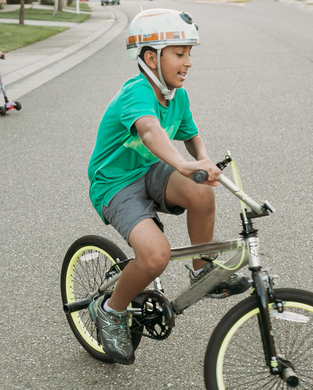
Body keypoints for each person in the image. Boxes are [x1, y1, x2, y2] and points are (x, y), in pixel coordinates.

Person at [87, 9, 249, 365]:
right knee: (155, 256)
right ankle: (111, 310)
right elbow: (149, 132)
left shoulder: (177, 96)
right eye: (180, 53)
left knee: (201, 191)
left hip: (149, 170)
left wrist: (202, 161)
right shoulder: (136, 93)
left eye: (190, 52)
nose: (189, 62)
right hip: (115, 184)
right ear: (151, 57)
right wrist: (184, 165)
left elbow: (192, 138)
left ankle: (201, 270)